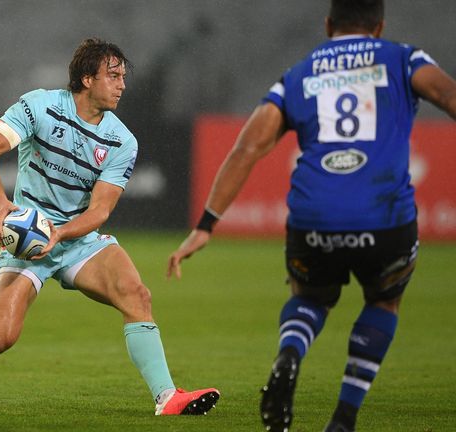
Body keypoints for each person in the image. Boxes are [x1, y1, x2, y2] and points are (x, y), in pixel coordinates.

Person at [0, 37, 219, 416]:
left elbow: (100, 211)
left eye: (123, 76)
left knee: (136, 294)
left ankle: (167, 397)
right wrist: (1, 204)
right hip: (28, 241)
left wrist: (59, 233)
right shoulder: (40, 106)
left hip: (77, 238)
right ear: (87, 78)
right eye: (113, 76)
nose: (122, 85)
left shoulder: (121, 140)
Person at [167, 1, 456, 431]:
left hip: (313, 218)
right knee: (383, 300)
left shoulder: (300, 75)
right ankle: (343, 418)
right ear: (379, 26)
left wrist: (206, 224)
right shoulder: (403, 58)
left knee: (309, 297)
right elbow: (448, 95)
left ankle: (290, 354)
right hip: (385, 216)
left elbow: (248, 147)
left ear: (327, 25)